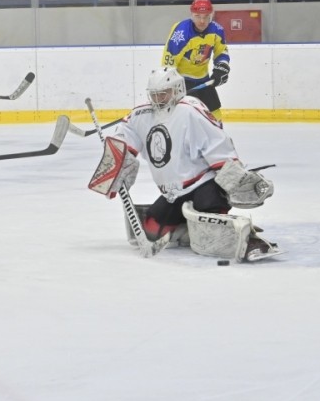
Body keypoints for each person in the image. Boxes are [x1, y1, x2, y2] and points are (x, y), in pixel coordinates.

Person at [88, 67, 279, 263]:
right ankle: (190, 228)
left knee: (210, 222)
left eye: (164, 93)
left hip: (204, 184)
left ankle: (251, 241)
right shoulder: (142, 114)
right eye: (154, 94)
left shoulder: (190, 110)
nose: (158, 99)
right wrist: (116, 163)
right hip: (173, 192)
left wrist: (234, 179)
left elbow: (216, 144)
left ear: (177, 90)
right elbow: (125, 138)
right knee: (152, 229)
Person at [160, 0, 231, 119]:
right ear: (192, 15)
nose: (202, 21)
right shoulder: (181, 33)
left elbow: (221, 52)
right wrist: (171, 85)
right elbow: (169, 61)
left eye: (206, 17)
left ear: (211, 15)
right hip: (181, 81)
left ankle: (216, 131)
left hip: (203, 80)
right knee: (183, 116)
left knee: (214, 113)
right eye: (198, 16)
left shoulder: (217, 30)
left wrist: (221, 68)